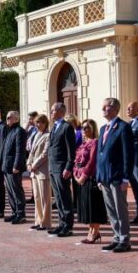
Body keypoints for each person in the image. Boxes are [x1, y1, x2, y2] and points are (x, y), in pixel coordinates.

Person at [96, 98, 134, 253]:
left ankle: (125, 239)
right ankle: (116, 237)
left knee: (120, 209)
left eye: (107, 106)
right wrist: (98, 176)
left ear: (116, 109)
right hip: (104, 176)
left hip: (118, 176)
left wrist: (126, 177)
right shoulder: (103, 128)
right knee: (111, 209)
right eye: (103, 106)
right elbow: (100, 153)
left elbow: (128, 154)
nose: (104, 109)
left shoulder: (123, 127)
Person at [74, 120, 107, 244]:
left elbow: (92, 161)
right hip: (81, 178)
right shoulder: (83, 144)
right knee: (87, 207)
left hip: (90, 179)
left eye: (87, 127)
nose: (85, 130)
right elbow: (76, 160)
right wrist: (76, 174)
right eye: (83, 128)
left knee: (94, 207)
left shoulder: (95, 143)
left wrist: (84, 175)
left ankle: (95, 232)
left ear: (93, 128)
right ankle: (91, 231)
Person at [48, 103, 76, 237]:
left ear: (60, 112)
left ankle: (68, 226)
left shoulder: (66, 127)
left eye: (53, 110)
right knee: (58, 198)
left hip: (61, 167)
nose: (51, 112)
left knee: (64, 197)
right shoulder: (54, 127)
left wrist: (68, 167)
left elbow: (71, 150)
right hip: (53, 167)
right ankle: (61, 223)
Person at [0, 110, 28, 224]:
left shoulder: (19, 131)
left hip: (14, 167)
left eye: (10, 117)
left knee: (17, 190)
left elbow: (19, 151)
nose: (7, 120)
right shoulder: (8, 131)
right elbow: (4, 149)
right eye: (7, 118)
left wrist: (16, 165)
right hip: (6, 166)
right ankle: (14, 212)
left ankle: (21, 214)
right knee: (10, 191)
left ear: (16, 119)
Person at [26, 114, 51, 230]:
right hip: (34, 171)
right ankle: (38, 220)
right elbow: (31, 152)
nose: (38, 125)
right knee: (36, 197)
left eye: (40, 122)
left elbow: (45, 154)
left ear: (45, 123)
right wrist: (29, 163)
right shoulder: (36, 135)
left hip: (42, 170)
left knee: (44, 198)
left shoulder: (48, 135)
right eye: (36, 123)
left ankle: (45, 222)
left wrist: (34, 165)